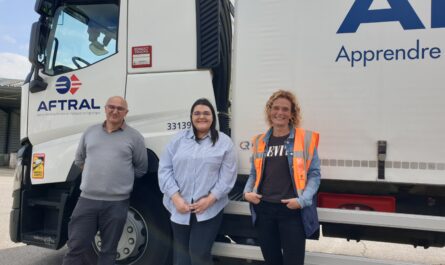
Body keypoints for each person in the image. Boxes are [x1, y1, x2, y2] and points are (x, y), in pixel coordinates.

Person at [62, 96, 148, 265]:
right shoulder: (90, 132)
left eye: (120, 108)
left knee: (108, 252)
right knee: (75, 247)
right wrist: (95, 175)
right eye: (111, 107)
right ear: (105, 108)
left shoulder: (135, 137)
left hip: (116, 204)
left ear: (126, 113)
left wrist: (119, 180)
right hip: (87, 201)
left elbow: (141, 168)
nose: (115, 111)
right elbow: (80, 160)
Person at [243, 90, 321, 265]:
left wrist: (302, 200)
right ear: (269, 111)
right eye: (276, 108)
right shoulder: (260, 141)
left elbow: (314, 175)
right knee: (272, 261)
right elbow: (254, 173)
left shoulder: (304, 139)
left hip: (291, 211)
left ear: (292, 114)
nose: (280, 113)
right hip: (264, 210)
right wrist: (246, 192)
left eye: (285, 109)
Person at [158, 98, 237, 265]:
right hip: (179, 206)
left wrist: (209, 200)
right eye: (197, 113)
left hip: (209, 208)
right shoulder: (178, 140)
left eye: (206, 113)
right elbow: (164, 169)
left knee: (198, 253)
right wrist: (176, 198)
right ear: (191, 117)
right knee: (181, 255)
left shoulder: (224, 142)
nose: (202, 117)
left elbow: (228, 176)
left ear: (213, 117)